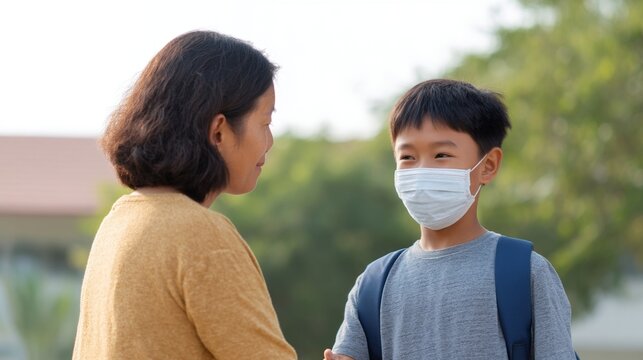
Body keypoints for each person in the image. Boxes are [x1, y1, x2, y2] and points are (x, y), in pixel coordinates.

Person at [72, 30, 297, 359]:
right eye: (265, 122)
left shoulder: (118, 223)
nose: (270, 141)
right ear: (218, 130)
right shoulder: (202, 234)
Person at [324, 79, 577, 359]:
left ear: (488, 166)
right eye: (407, 157)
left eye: (441, 154)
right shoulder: (373, 284)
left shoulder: (526, 272)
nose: (422, 171)